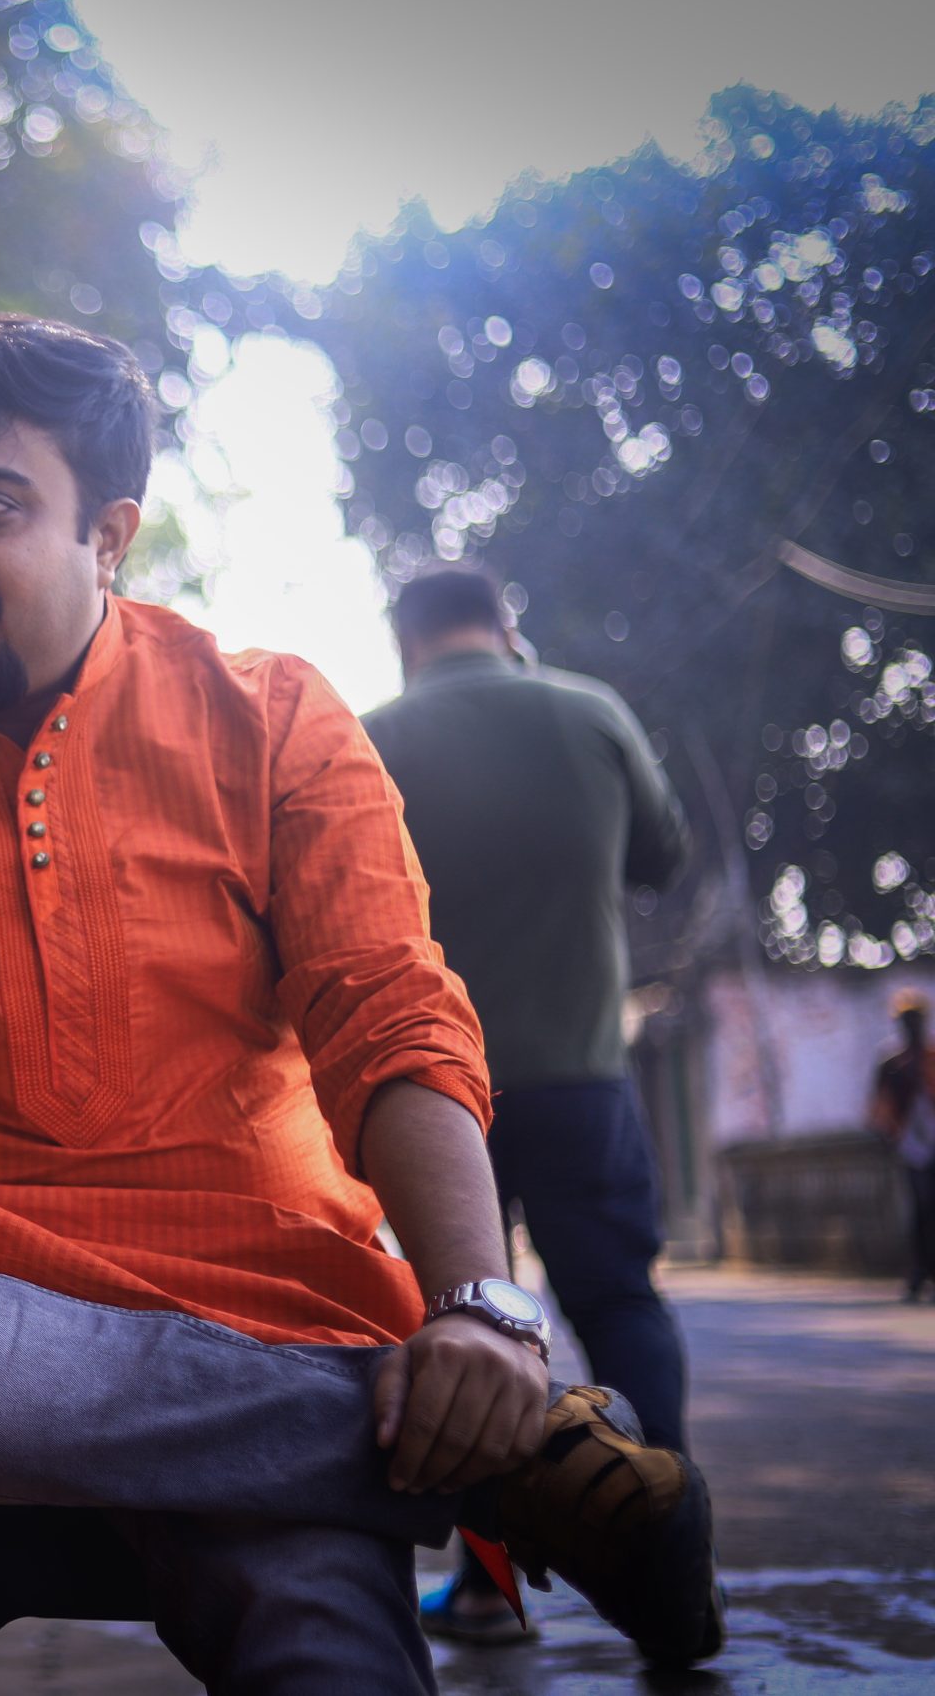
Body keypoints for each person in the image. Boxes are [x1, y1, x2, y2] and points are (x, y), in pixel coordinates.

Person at [0, 312, 722, 1695]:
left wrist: (477, 1305)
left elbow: (391, 1015)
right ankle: (506, 1460)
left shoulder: (271, 714)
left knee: (323, 1644)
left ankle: (373, 1431)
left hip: (249, 1281)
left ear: (109, 534)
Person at [361, 565, 696, 1644]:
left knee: (464, 1330)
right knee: (620, 1305)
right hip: (582, 1078)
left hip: (429, 1102)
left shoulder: (377, 738)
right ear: (506, 627)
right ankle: (672, 1552)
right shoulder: (589, 711)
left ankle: (487, 1592)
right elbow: (662, 854)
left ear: (405, 640)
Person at [871, 989, 935, 1300]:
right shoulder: (892, 1062)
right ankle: (919, 1273)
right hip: (911, 1144)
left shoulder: (932, 1057)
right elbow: (881, 1108)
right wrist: (889, 1136)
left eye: (916, 1020)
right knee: (920, 1208)